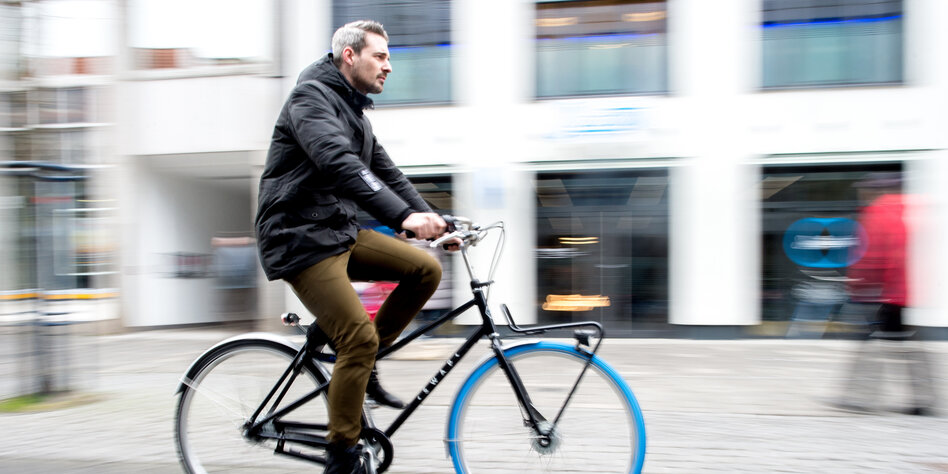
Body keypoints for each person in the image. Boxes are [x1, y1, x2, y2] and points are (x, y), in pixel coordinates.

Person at [254, 20, 456, 474]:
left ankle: (363, 368)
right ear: (350, 56)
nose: (389, 66)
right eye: (380, 56)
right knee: (358, 338)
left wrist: (435, 222)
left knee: (426, 271)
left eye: (388, 58)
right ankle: (341, 455)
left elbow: (390, 175)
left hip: (336, 232)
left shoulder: (356, 114)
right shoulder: (310, 100)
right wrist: (403, 218)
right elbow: (338, 163)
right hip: (298, 238)